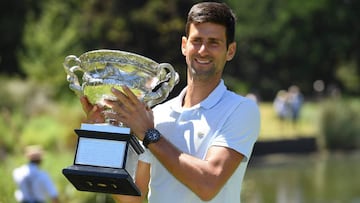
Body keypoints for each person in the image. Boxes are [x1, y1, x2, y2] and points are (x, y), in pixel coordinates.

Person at [81, 2, 260, 203]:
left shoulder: (241, 110)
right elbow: (133, 197)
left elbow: (208, 185)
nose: (203, 50)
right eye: (197, 40)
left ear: (230, 51)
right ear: (184, 45)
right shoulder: (157, 114)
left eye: (214, 43)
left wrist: (150, 135)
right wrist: (98, 135)